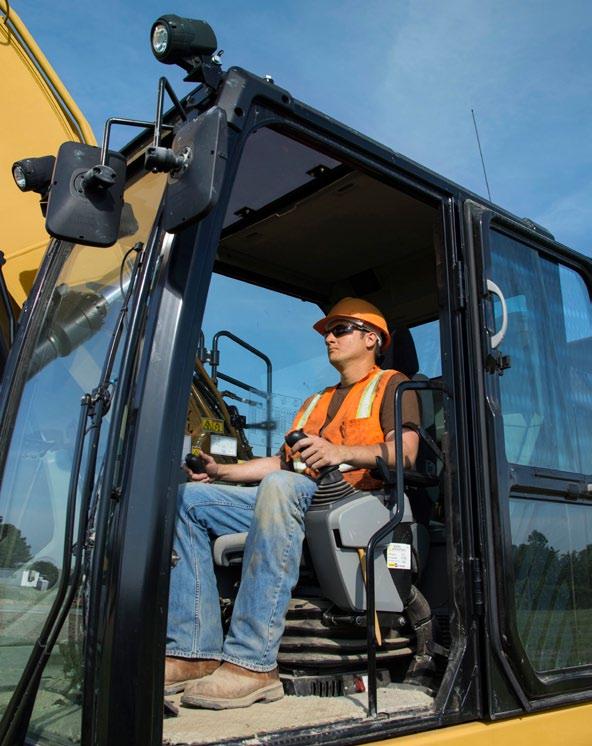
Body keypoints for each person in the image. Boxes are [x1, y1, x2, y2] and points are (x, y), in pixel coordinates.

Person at [165, 297, 420, 709]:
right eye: (327, 333)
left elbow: (405, 454)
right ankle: (194, 651)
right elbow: (280, 462)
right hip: (297, 495)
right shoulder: (315, 401)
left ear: (372, 338)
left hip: (355, 500)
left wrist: (340, 453)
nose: (330, 339)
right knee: (189, 499)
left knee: (282, 487)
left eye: (341, 330)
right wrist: (220, 472)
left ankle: (253, 662)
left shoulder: (393, 385)